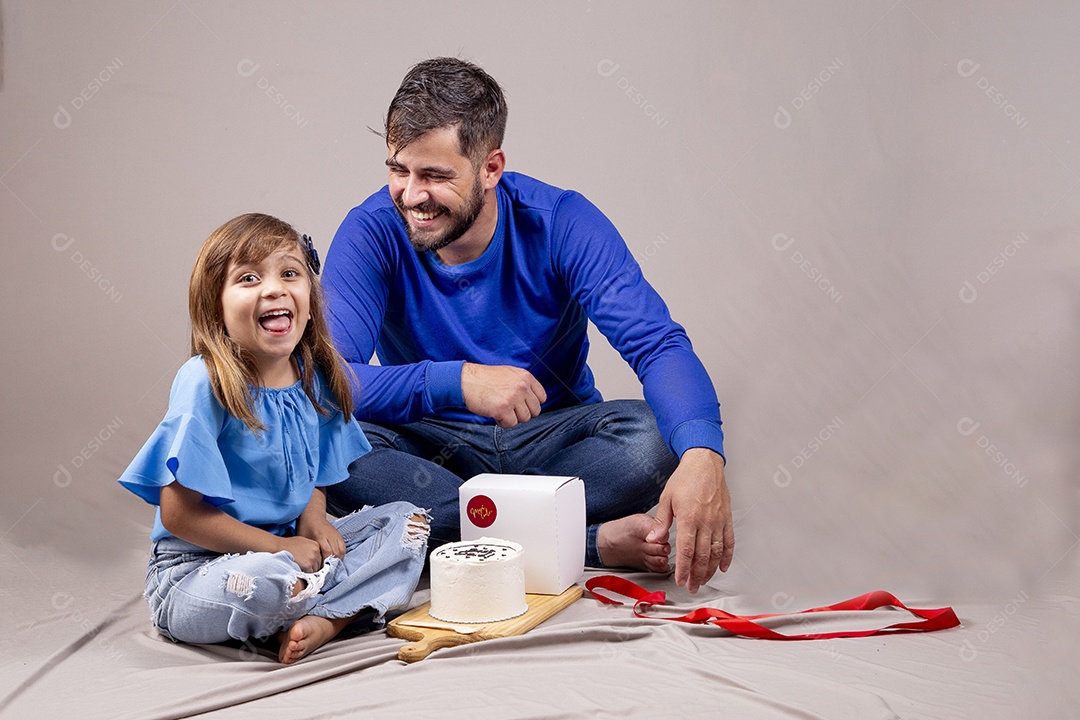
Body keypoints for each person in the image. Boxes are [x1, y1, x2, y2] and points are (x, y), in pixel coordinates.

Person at [323, 57, 732, 594]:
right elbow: (325, 382)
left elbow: (656, 344)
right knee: (330, 447)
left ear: (491, 168)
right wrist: (458, 381)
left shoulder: (561, 219)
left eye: (436, 176)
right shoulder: (372, 230)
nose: (412, 196)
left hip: (551, 438)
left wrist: (704, 454)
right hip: (427, 445)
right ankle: (585, 543)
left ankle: (464, 527)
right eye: (399, 170)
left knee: (653, 442)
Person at [118, 213, 429, 664]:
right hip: (199, 569)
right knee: (264, 581)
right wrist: (281, 549)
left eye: (290, 273)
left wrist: (315, 519)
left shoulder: (315, 375)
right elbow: (180, 515)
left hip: (292, 547)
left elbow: (316, 469)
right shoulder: (204, 382)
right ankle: (335, 601)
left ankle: (325, 617)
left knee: (408, 523)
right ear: (216, 307)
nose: (274, 288)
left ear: (309, 295)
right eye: (248, 278)